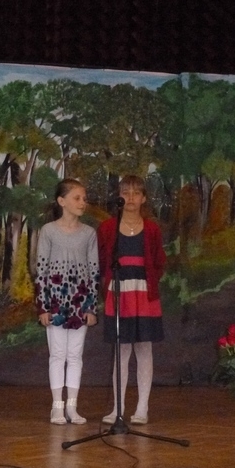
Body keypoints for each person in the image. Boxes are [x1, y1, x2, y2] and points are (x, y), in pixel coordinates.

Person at [98, 175, 166, 425]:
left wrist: (147, 282)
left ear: (144, 198)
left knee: (144, 348)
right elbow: (102, 260)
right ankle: (118, 408)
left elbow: (159, 261)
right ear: (119, 196)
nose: (131, 198)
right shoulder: (108, 228)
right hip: (119, 291)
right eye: (125, 192)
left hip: (143, 292)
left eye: (136, 193)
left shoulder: (152, 229)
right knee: (122, 350)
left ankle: (142, 408)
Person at [35, 179, 99, 425]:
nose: (82, 202)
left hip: (79, 301)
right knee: (57, 354)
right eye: (77, 198)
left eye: (84, 198)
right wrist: (43, 306)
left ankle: (72, 406)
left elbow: (94, 272)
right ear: (61, 201)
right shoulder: (49, 231)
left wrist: (91, 307)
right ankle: (57, 407)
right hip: (55, 301)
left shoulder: (89, 233)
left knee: (75, 355)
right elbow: (41, 271)